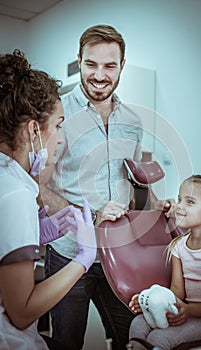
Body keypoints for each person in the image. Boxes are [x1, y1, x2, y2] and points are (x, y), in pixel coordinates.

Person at [39, 24, 174, 350]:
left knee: (132, 335)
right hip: (70, 252)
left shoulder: (133, 121)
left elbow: (134, 180)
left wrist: (156, 206)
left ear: (122, 66)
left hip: (122, 251)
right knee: (67, 341)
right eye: (91, 64)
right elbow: (39, 187)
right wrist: (89, 215)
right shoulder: (56, 115)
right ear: (80, 61)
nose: (100, 75)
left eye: (109, 65)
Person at [0, 49, 96, 350]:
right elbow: (22, 311)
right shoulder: (16, 193)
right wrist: (83, 260)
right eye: (57, 125)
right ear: (33, 130)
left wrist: (39, 233)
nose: (60, 138)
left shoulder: (8, 178)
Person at [128, 175, 201, 350]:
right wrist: (149, 301)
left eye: (190, 202)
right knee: (138, 323)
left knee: (160, 338)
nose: (180, 207)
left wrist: (189, 310)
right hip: (191, 313)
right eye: (179, 199)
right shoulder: (178, 246)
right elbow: (177, 291)